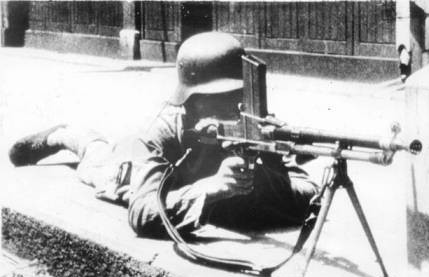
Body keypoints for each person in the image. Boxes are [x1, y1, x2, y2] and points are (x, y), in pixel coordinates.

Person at [9, 32, 318, 238]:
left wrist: (271, 162)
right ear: (191, 100)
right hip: (128, 168)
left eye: (236, 97)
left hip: (179, 183)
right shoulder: (163, 131)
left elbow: (307, 194)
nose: (230, 108)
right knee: (96, 155)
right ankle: (62, 135)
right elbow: (142, 213)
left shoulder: (253, 125)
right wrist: (209, 190)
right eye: (216, 99)